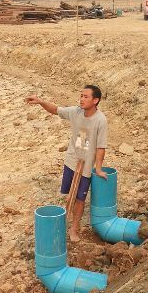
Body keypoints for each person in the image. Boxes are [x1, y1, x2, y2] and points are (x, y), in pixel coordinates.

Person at [25, 86, 108, 241]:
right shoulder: (75, 112)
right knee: (70, 195)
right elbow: (55, 110)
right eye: (81, 95)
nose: (82, 99)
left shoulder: (100, 120)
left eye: (86, 96)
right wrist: (40, 101)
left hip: (86, 165)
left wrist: (98, 168)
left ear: (95, 100)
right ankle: (65, 224)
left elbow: (101, 147)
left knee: (80, 199)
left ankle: (74, 228)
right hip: (71, 160)